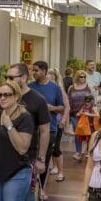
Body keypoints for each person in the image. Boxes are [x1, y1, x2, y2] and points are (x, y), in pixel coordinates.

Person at [0, 63, 50, 201]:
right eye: (7, 76)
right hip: (2, 158)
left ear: (24, 77)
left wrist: (42, 158)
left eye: (13, 77)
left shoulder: (37, 100)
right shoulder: (3, 97)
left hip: (27, 159)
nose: (9, 81)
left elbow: (45, 131)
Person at [28, 60, 65, 192]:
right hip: (31, 129)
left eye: (36, 70)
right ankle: (31, 188)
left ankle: (41, 189)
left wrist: (51, 108)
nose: (34, 73)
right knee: (30, 159)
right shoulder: (30, 87)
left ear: (44, 71)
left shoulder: (55, 88)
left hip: (50, 129)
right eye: (33, 70)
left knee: (44, 159)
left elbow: (62, 107)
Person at [67, 69, 93, 161]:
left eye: (84, 77)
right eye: (81, 76)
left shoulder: (88, 87)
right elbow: (68, 101)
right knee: (77, 133)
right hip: (75, 115)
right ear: (77, 77)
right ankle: (78, 152)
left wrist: (87, 111)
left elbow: (91, 101)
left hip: (86, 115)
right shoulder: (71, 87)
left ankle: (87, 151)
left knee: (87, 133)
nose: (83, 78)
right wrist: (68, 116)